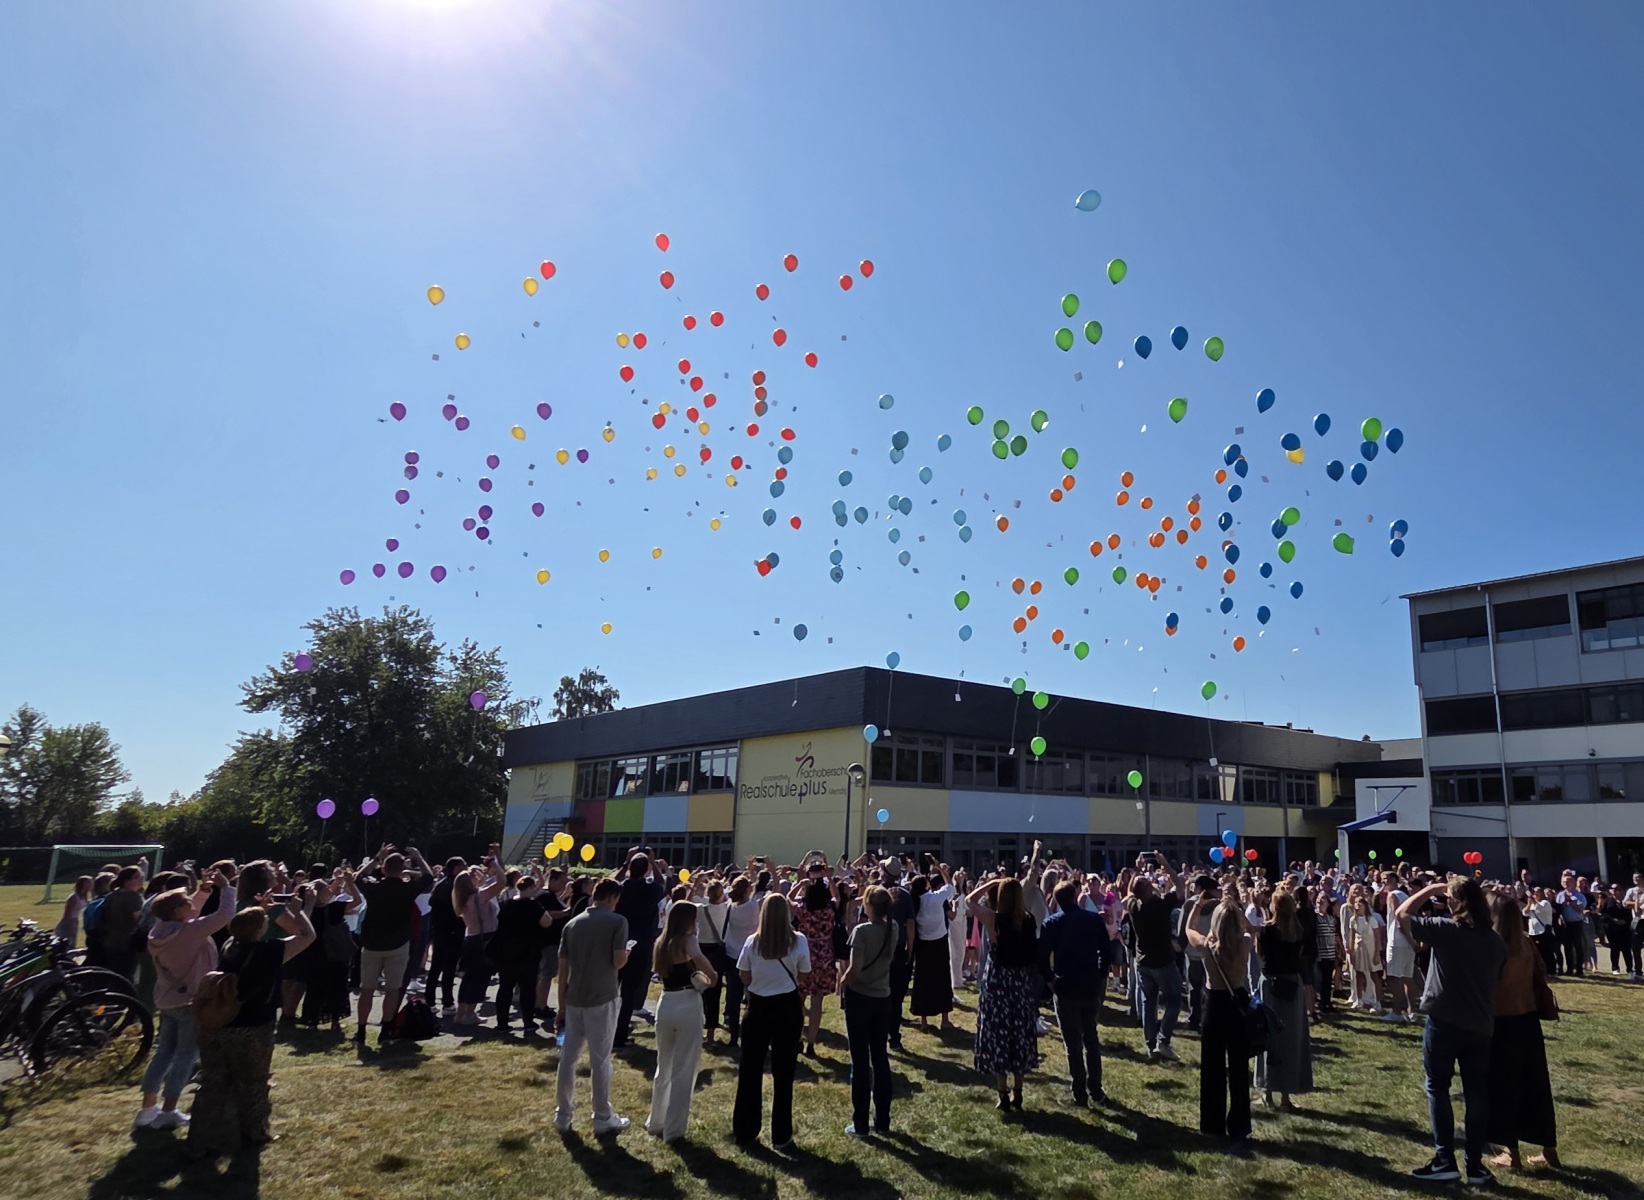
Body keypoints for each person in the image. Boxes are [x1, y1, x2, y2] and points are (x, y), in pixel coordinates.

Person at [1395, 876, 1507, 1186]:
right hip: (1480, 1024)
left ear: (1457, 902)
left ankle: (1445, 1159)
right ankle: (1475, 1165)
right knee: (1476, 1093)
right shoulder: (1496, 942)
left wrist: (1430, 889)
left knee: (1438, 1087)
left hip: (1445, 1019)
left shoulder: (1446, 930)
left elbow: (1401, 913)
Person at [188, 894, 316, 1157]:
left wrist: (260, 911)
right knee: (253, 1082)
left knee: (213, 1083)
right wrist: (299, 909)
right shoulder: (269, 951)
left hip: (217, 1022)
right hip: (254, 1026)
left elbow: (245, 929)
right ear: (260, 929)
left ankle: (201, 1140)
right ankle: (255, 1133)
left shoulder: (230, 947)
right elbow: (307, 935)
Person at [136, 870, 237, 1131]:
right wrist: (226, 887)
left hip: (167, 1000)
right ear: (178, 910)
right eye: (186, 902)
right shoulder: (188, 932)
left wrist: (204, 891)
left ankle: (147, 1108)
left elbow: (190, 917)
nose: (191, 904)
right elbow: (225, 915)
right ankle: (169, 1110)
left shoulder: (160, 931)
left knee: (163, 1053)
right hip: (191, 1000)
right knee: (185, 1055)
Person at [1484, 891, 1560, 1171]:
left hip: (1501, 1022)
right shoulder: (1526, 943)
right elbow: (1541, 973)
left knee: (1504, 1086)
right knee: (1536, 1085)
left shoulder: (1492, 946)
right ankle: (1549, 1149)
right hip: (1528, 1019)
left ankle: (1511, 1153)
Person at [733, 893, 811, 1151]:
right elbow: (804, 973)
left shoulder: (752, 943)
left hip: (758, 1007)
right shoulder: (798, 941)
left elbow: (744, 974)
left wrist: (761, 979)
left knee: (750, 1070)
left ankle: (745, 1130)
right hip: (787, 1007)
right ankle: (781, 1135)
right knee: (784, 1073)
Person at [554, 878, 632, 1135]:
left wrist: (561, 1005)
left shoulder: (572, 924)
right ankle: (602, 1115)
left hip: (575, 997)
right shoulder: (617, 921)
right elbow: (618, 961)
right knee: (600, 1060)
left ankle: (563, 1113)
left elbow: (563, 970)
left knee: (569, 1057)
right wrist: (626, 956)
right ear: (612, 898)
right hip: (602, 996)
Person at [1185, 888, 1255, 1155]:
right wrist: (1236, 907)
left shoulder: (1207, 946)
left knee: (1212, 1066)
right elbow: (1251, 929)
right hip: (1236, 1003)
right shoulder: (1243, 944)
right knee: (1238, 1067)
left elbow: (1189, 930)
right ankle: (1239, 1124)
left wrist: (1198, 905)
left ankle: (1212, 1123)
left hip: (1214, 1004)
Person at [646, 900, 716, 1142]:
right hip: (687, 1002)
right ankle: (674, 1129)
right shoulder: (688, 941)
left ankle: (656, 1121)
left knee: (663, 1067)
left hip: (666, 1002)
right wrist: (712, 976)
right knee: (684, 1069)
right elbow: (704, 964)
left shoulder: (660, 942)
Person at [1039, 879, 1112, 1107]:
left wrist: (1050, 980)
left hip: (1065, 987)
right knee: (1091, 1039)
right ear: (1075, 896)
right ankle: (1096, 1088)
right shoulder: (1092, 919)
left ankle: (1080, 1092)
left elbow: (1042, 957)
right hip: (1089, 985)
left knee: (1073, 1043)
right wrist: (1101, 975)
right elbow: (1106, 950)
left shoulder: (1051, 924)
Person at [968, 877, 1039, 1111]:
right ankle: (1018, 1090)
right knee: (1019, 1032)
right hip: (1021, 981)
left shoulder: (994, 919)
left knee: (998, 1032)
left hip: (998, 980)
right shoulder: (1028, 920)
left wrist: (991, 883)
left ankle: (1002, 1092)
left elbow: (970, 900)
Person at [352, 845, 433, 1042]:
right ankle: (386, 1029)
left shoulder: (374, 887)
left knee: (367, 990)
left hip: (372, 943)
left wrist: (376, 858)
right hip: (398, 943)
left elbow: (358, 877)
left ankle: (361, 1030)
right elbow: (429, 877)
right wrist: (418, 857)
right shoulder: (408, 889)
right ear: (402, 869)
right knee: (392, 989)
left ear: (384, 869)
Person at [837, 884, 898, 1136]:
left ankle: (860, 1123)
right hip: (882, 997)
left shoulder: (862, 931)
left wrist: (842, 982)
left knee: (860, 1062)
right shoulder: (893, 928)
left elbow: (855, 969)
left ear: (870, 906)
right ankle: (882, 1120)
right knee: (880, 1058)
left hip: (860, 998)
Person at [1256, 887, 1314, 1109]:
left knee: (1268, 1035)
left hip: (1270, 984)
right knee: (1291, 1037)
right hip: (1291, 984)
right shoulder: (1298, 932)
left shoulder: (1266, 930)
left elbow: (1261, 954)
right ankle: (1286, 1095)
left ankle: (1267, 1091)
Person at [1126, 853, 1185, 1061]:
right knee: (1174, 1000)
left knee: (1148, 1003)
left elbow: (1129, 893)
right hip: (1163, 961)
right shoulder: (1161, 905)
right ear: (1149, 889)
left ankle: (1151, 1045)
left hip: (1143, 961)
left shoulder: (1134, 907)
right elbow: (1180, 888)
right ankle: (1163, 1041)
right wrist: (1165, 863)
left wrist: (1136, 870)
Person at [614, 851, 668, 1048]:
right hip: (641, 943)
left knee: (612, 988)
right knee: (629, 991)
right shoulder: (650, 890)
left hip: (618, 940)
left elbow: (609, 883)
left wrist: (626, 863)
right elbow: (662, 883)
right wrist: (654, 863)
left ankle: (607, 1029)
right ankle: (620, 1033)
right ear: (647, 870)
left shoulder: (621, 888)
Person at [451, 856, 506, 1026]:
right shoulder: (480, 896)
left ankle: (461, 1013)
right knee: (480, 978)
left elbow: (486, 887)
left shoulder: (462, 899)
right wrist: (493, 863)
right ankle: (470, 1014)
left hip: (470, 938)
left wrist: (481, 878)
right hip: (485, 938)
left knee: (469, 977)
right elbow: (502, 881)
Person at [492, 875, 550, 1034]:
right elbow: (546, 922)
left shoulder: (507, 904)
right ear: (530, 888)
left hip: (507, 951)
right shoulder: (533, 905)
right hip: (528, 952)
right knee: (527, 988)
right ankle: (528, 1021)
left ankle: (502, 1022)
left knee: (505, 987)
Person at [791, 873, 840, 1055]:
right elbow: (837, 896)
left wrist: (800, 884)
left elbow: (788, 898)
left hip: (805, 952)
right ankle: (811, 1042)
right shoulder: (829, 909)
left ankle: (797, 1037)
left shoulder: (803, 909)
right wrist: (830, 878)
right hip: (824, 955)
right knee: (817, 1000)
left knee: (799, 998)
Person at [908, 866, 957, 1033]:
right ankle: (945, 1019)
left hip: (923, 944)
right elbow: (950, 885)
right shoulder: (935, 898)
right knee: (942, 980)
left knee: (923, 982)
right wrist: (940, 869)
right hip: (939, 942)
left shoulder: (915, 902)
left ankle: (924, 1020)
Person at [721, 875, 760, 1049]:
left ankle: (733, 1034)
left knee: (733, 996)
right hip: (749, 955)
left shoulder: (730, 906)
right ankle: (750, 1031)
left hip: (731, 954)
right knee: (752, 995)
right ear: (746, 890)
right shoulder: (752, 906)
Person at [427, 857, 467, 1016]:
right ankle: (447, 1003)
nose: (465, 868)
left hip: (439, 930)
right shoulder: (456, 886)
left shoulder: (440, 884)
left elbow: (432, 903)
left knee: (435, 967)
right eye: (462, 866)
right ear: (455, 869)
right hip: (453, 931)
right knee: (449, 969)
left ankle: (429, 1001)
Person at [695, 879, 731, 1046]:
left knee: (699, 989)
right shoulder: (726, 909)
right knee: (715, 992)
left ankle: (698, 1027)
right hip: (718, 950)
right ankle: (710, 1032)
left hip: (702, 949)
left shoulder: (699, 909)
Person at [100, 866, 147, 982]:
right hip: (128, 942)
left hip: (111, 941)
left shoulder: (111, 895)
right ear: (127, 880)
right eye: (137, 877)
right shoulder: (132, 896)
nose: (141, 879)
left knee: (114, 975)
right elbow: (140, 920)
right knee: (127, 976)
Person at [1346, 896, 1384, 1013]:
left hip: (1371, 949)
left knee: (1374, 975)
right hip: (1359, 949)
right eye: (1356, 903)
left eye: (1360, 903)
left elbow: (1377, 937)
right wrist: (1351, 951)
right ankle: (1359, 1000)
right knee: (1359, 974)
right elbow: (1352, 937)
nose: (1358, 905)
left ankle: (1377, 1002)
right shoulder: (1353, 920)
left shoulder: (1372, 920)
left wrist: (1377, 954)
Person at [1553, 872, 1586, 978]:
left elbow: (1581, 909)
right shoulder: (1560, 895)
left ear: (1573, 883)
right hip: (1565, 924)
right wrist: (1564, 903)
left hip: (1577, 923)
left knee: (1578, 946)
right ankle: (1569, 969)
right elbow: (1558, 909)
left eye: (1568, 881)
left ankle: (1579, 969)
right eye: (1564, 882)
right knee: (1567, 947)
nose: (1566, 883)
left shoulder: (1579, 895)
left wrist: (1571, 901)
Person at [1314, 891, 1340, 1014]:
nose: (1321, 901)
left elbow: (1334, 935)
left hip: (1330, 953)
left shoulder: (1331, 918)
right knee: (1321, 980)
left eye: (1323, 899)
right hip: (1320, 953)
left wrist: (1337, 950)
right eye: (1319, 899)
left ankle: (1327, 1002)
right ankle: (1321, 1002)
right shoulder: (1315, 917)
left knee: (1328, 980)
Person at [55, 876, 94, 947]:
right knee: (66, 942)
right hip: (69, 922)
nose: (91, 884)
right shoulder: (73, 897)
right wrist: (69, 928)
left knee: (72, 942)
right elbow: (67, 914)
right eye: (89, 882)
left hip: (75, 920)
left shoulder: (83, 896)